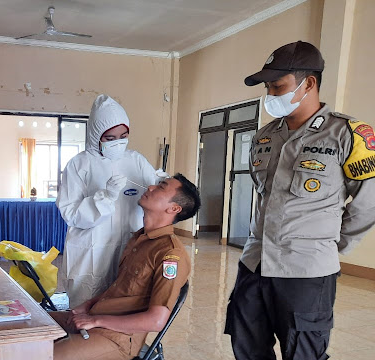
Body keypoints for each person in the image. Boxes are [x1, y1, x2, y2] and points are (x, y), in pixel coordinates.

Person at [225, 41, 375, 360]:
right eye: (268, 87)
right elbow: (264, 195)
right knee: (246, 344)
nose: (271, 94)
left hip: (306, 271)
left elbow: (368, 203)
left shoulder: (348, 134)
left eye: (278, 86)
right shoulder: (264, 136)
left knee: (302, 353)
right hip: (254, 262)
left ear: (309, 83)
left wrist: (332, 246)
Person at [51, 174, 200, 360]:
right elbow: (121, 290)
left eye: (161, 187)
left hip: (116, 338)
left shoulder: (170, 254)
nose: (151, 188)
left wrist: (96, 320)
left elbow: (156, 320)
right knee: (29, 324)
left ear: (174, 208)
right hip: (95, 318)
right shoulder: (139, 239)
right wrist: (88, 306)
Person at [57, 94, 161, 308]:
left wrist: (165, 182)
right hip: (91, 251)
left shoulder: (136, 161)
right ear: (96, 135)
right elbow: (71, 214)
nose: (118, 143)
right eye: (110, 138)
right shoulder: (79, 165)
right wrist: (105, 197)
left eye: (123, 136)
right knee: (86, 309)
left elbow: (158, 194)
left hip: (129, 248)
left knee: (125, 304)